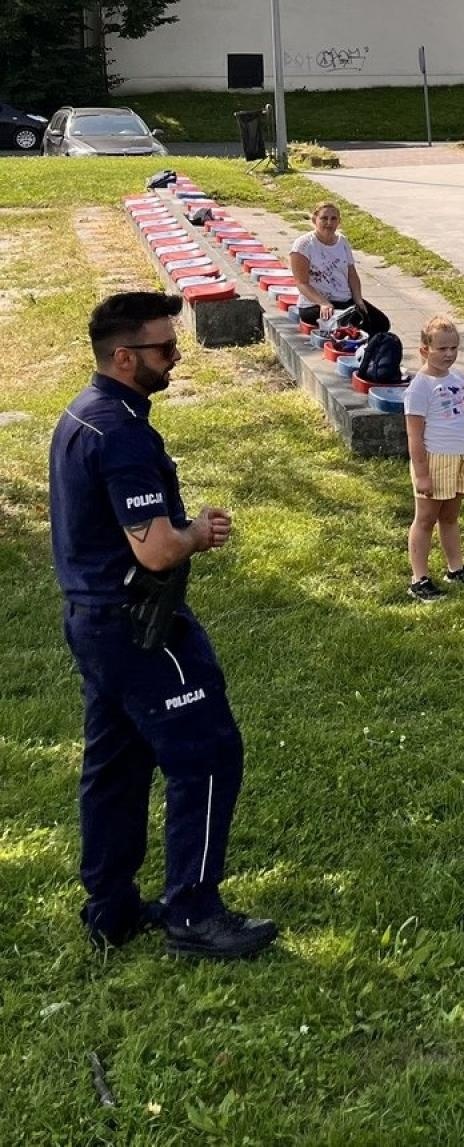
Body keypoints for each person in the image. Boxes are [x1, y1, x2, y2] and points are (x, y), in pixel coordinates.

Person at [48, 291, 278, 959]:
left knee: (115, 763)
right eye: (164, 348)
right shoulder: (119, 433)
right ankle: (194, 913)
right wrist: (197, 532)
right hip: (137, 625)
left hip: (91, 620)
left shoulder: (83, 413)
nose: (176, 356)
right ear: (125, 357)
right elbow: (152, 547)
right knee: (206, 752)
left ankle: (111, 907)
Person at [404, 316, 464, 601]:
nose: (449, 354)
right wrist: (422, 473)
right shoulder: (419, 388)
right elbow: (414, 435)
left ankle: (456, 568)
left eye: (453, 348)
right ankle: (419, 578)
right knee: (426, 519)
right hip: (434, 460)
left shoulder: (459, 380)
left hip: (460, 457)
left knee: (450, 517)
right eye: (441, 349)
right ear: (424, 349)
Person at [290, 201, 391, 337]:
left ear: (339, 222)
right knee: (355, 323)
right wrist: (323, 303)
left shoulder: (342, 241)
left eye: (333, 219)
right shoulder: (303, 245)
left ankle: (367, 349)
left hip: (344, 299)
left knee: (381, 323)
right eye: (324, 218)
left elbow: (351, 273)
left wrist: (358, 299)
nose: (329, 223)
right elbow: (301, 283)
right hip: (316, 304)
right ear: (315, 220)